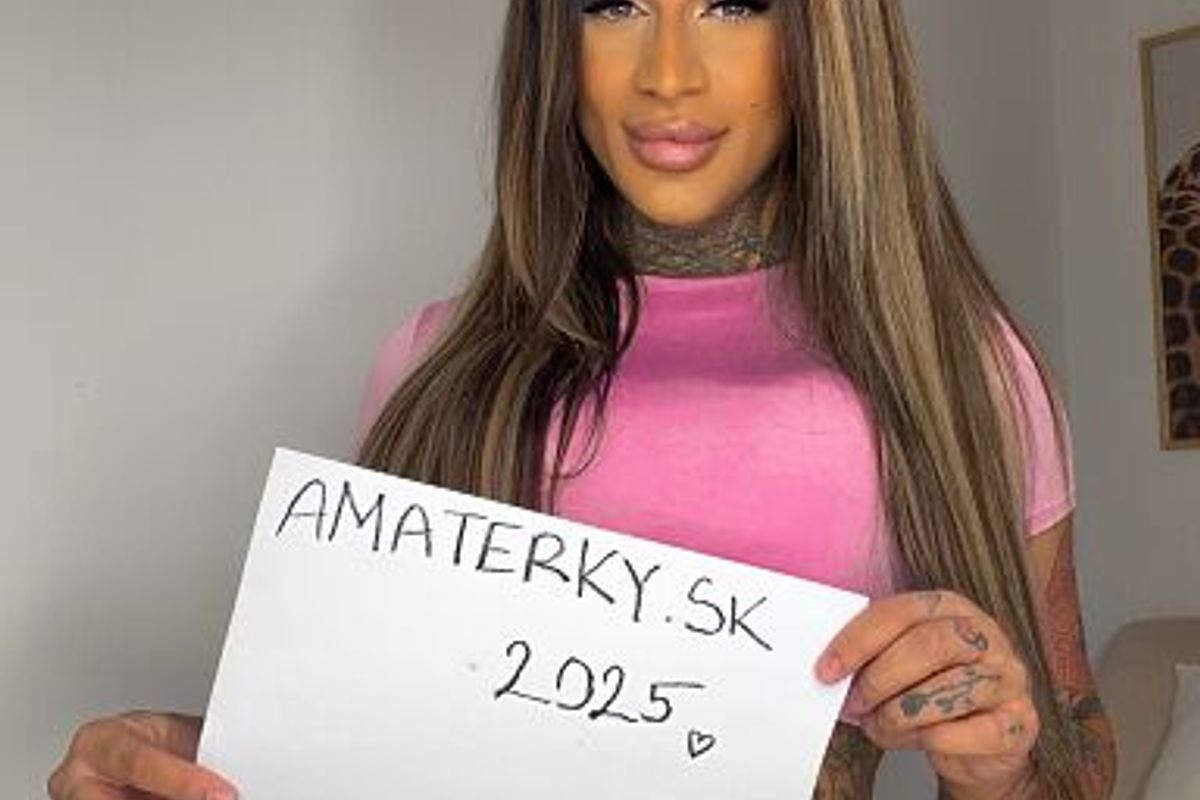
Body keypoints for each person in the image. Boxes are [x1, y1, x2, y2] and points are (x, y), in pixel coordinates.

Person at [48, 1, 1116, 798]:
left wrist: (1000, 769)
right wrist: (191, 757)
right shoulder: (432, 367)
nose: (668, 74)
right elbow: (381, 745)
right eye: (612, 4)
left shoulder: (965, 371)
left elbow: (1076, 747)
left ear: (824, 35)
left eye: (734, 4)